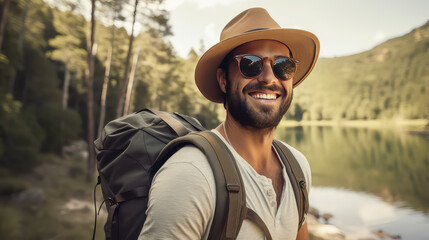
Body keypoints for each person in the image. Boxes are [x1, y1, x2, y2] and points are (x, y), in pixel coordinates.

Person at [139, 7, 319, 240]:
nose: (268, 77)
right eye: (250, 64)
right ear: (224, 80)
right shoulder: (190, 175)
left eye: (283, 65)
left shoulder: (297, 167)